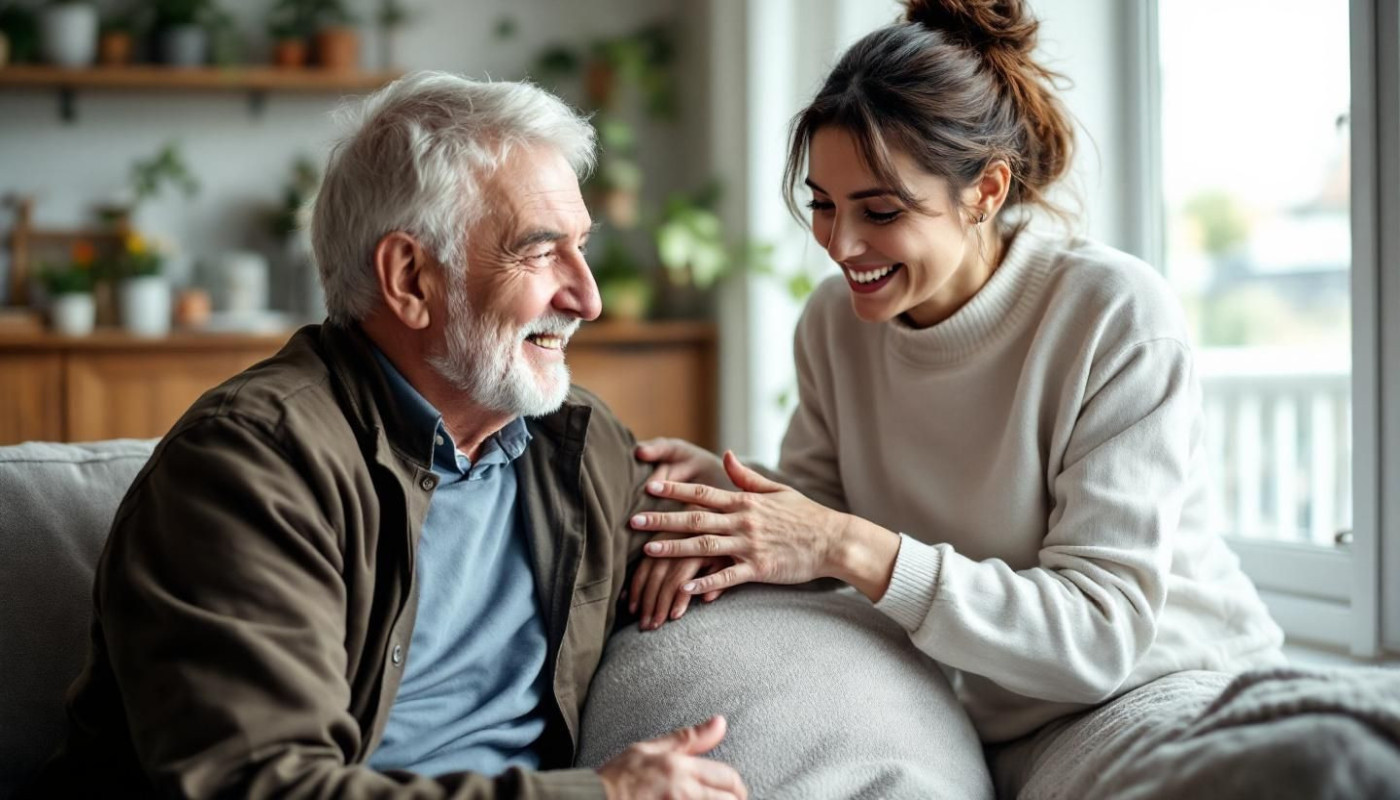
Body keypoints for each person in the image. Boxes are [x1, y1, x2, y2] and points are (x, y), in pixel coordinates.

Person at [625, 1, 1290, 795]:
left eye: (880, 211)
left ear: (986, 191)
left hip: (1155, 690)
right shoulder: (836, 324)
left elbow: (1099, 636)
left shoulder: (1111, 315)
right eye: (823, 204)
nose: (840, 245)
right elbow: (823, 512)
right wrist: (733, 498)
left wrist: (842, 543)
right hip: (976, 721)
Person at [23, 72, 746, 800]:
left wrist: (761, 532)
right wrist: (604, 796)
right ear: (409, 278)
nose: (588, 298)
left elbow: (716, 521)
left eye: (582, 247)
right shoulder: (247, 468)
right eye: (539, 251)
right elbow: (263, 787)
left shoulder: (573, 442)